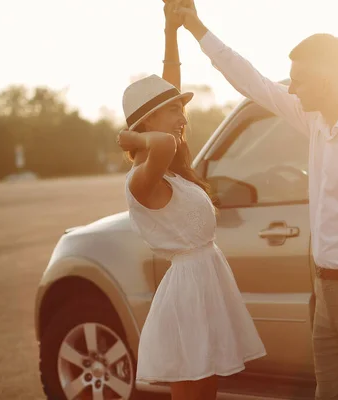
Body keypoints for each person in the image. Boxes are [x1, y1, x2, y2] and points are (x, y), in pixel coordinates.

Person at [174, 2, 338, 399]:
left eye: (299, 81)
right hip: (325, 294)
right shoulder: (314, 119)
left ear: (326, 82)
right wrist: (196, 28)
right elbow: (253, 82)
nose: (292, 90)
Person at [116, 3, 266, 399]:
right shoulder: (142, 179)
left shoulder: (173, 167)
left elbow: (166, 123)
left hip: (206, 281)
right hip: (187, 294)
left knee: (207, 390)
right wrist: (133, 139)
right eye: (172, 110)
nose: (182, 116)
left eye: (182, 108)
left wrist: (171, 32)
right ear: (145, 123)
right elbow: (163, 140)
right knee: (192, 392)